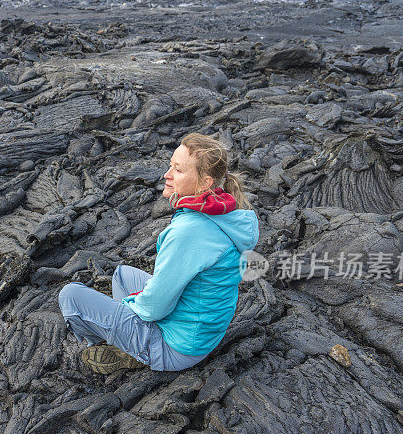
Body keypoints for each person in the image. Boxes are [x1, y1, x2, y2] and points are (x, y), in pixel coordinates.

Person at [57, 132, 260, 374]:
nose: (167, 175)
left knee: (70, 296)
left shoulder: (188, 232)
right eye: (170, 166)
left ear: (205, 183)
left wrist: (129, 306)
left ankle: (123, 348)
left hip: (177, 348)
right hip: (201, 333)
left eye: (179, 170)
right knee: (121, 275)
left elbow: (155, 308)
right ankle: (130, 339)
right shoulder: (228, 214)